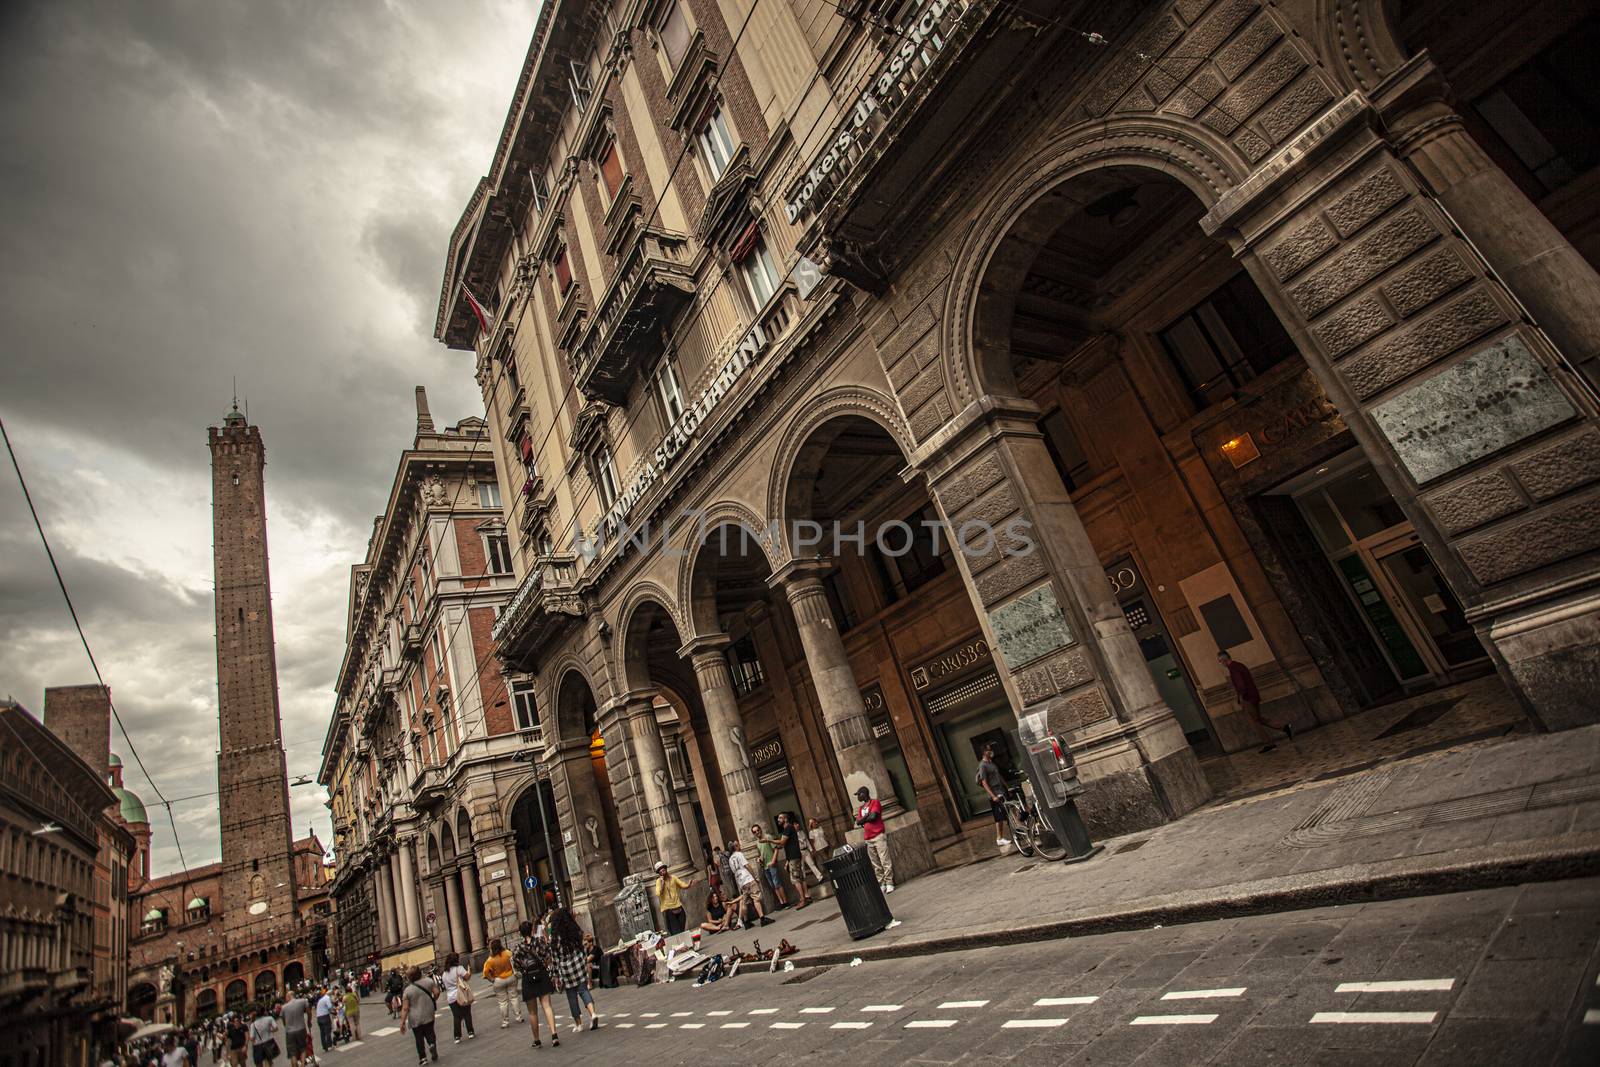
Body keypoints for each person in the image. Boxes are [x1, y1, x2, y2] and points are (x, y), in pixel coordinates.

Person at [1218, 649, 1292, 752]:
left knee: (1254, 722)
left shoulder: (1233, 668)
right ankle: (1284, 727)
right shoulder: (1239, 665)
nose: (1220, 663)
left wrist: (1241, 697)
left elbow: (1241, 685)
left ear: (1223, 660)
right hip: (1253, 696)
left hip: (1248, 698)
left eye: (1220, 661)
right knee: (1258, 718)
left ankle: (1269, 744)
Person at [546, 907, 600, 1033]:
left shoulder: (555, 938)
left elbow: (555, 958)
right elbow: (582, 947)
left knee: (571, 997)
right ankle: (593, 1014)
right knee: (583, 990)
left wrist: (555, 976)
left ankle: (579, 1024)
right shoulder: (574, 931)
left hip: (566, 969)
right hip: (579, 964)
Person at [512, 919, 561, 1049]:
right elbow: (548, 956)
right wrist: (544, 965)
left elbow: (516, 966)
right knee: (547, 1006)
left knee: (532, 1012)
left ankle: (537, 1040)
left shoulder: (518, 948)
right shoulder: (539, 942)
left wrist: (524, 970)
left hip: (528, 978)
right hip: (541, 974)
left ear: (521, 933)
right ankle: (554, 1034)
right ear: (532, 930)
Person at [398, 965, 440, 1065]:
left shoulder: (407, 991)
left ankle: (423, 1058)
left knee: (418, 1038)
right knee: (430, 1032)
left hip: (415, 1018)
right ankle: (431, 1044)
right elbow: (437, 992)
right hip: (428, 1013)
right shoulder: (429, 981)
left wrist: (402, 1022)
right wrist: (433, 1000)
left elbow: (405, 1008)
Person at [855, 786, 893, 893]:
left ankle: (889, 882)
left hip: (878, 836)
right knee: (875, 863)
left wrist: (864, 819)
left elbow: (873, 817)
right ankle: (882, 883)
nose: (858, 796)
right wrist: (867, 815)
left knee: (884, 859)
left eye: (859, 794)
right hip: (868, 838)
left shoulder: (875, 802)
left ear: (864, 793)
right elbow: (858, 822)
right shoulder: (861, 808)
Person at [975, 743, 1012, 852]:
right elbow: (984, 782)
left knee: (1006, 812)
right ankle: (999, 838)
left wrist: (1007, 787)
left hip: (1001, 790)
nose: (991, 752)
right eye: (989, 750)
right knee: (999, 817)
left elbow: (999, 776)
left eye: (991, 749)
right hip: (994, 793)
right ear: (984, 753)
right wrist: (993, 796)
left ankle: (1006, 835)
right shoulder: (983, 765)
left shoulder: (992, 763)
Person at [726, 839, 772, 928]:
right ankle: (762, 918)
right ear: (735, 847)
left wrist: (739, 885)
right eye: (737, 845)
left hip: (741, 881)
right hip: (748, 878)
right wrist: (754, 876)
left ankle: (746, 922)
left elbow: (734, 872)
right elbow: (747, 865)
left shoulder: (730, 859)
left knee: (744, 901)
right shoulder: (739, 854)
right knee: (756, 898)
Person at [482, 938, 524, 1028]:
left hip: (499, 980)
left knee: (503, 1002)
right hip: (511, 977)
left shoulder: (490, 960)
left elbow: (486, 972)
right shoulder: (508, 953)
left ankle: (505, 1022)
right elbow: (515, 961)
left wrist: (492, 980)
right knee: (514, 997)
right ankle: (519, 1017)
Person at [439, 951, 476, 1042]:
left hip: (451, 997)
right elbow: (467, 977)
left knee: (456, 1016)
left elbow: (445, 986)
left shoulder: (444, 974)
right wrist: (469, 970)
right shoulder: (459, 969)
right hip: (461, 995)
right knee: (467, 1013)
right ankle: (470, 1032)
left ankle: (457, 1036)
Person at [775, 813, 810, 908]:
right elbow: (784, 844)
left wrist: (768, 840)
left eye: (780, 818)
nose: (778, 819)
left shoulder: (788, 828)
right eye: (778, 818)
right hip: (793, 856)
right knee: (800, 877)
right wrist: (787, 861)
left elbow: (782, 842)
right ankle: (806, 897)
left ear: (785, 819)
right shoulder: (788, 829)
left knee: (795, 879)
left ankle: (803, 900)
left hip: (794, 857)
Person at [752, 824, 788, 908]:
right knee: (773, 885)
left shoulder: (768, 837)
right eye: (755, 832)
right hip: (764, 866)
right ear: (754, 834)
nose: (757, 832)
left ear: (760, 829)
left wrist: (773, 861)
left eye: (758, 830)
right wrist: (759, 859)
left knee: (777, 883)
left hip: (771, 864)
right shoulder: (757, 842)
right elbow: (761, 853)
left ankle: (785, 902)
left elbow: (776, 849)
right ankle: (781, 902)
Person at [652, 860, 691, 934]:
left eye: (664, 870)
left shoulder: (673, 878)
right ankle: (680, 944)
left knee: (682, 924)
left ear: (666, 870)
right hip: (668, 909)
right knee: (675, 930)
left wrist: (688, 885)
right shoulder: (658, 881)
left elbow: (682, 885)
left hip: (678, 906)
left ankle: (682, 942)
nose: (663, 872)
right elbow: (658, 893)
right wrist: (662, 884)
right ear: (659, 873)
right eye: (661, 871)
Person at [279, 990, 313, 1067]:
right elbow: (309, 1012)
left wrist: (286, 1026)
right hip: (301, 1028)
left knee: (292, 1052)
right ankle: (303, 1065)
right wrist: (309, 1021)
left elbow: (283, 1020)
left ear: (289, 996)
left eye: (286, 997)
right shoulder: (303, 1001)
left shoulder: (284, 1007)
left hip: (289, 1032)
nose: (286, 999)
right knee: (303, 1048)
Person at [804, 817, 829, 885]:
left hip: (825, 844)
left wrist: (828, 840)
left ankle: (828, 871)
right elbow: (812, 842)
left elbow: (825, 835)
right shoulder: (811, 832)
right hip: (819, 847)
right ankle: (827, 873)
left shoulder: (820, 828)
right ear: (811, 824)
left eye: (815, 822)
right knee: (825, 859)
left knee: (828, 858)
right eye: (813, 823)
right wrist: (813, 849)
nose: (815, 823)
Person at [313, 988, 335, 1052]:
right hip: (325, 1016)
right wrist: (333, 1011)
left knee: (322, 1032)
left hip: (319, 1017)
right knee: (327, 1031)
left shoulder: (321, 1000)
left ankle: (324, 1046)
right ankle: (329, 1045)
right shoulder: (327, 998)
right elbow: (330, 1007)